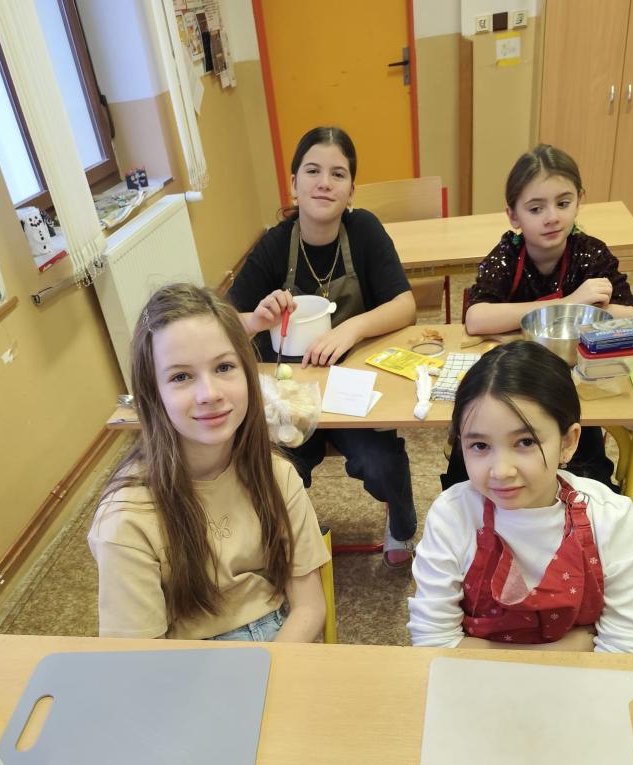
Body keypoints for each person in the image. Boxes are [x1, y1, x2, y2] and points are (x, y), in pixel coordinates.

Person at [89, 283, 328, 643]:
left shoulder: (277, 475)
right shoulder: (126, 520)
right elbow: (141, 661)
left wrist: (268, 668)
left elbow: (309, 608)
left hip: (281, 642)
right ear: (153, 394)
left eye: (224, 367)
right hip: (186, 663)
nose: (209, 394)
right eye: (181, 376)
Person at [228, 126, 418, 568]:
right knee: (275, 469)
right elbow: (224, 322)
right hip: (291, 395)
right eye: (312, 171)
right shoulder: (276, 244)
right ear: (294, 183)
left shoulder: (364, 230)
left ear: (352, 190)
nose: (324, 183)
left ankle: (402, 525)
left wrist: (351, 329)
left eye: (338, 173)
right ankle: (295, 538)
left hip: (353, 389)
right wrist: (257, 319)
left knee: (380, 461)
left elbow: (405, 305)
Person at [407, 342, 633, 653]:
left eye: (525, 442)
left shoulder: (609, 517)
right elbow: (433, 644)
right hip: (481, 683)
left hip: (570, 683)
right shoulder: (451, 516)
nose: (501, 471)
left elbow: (630, 649)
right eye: (480, 446)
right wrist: (574, 646)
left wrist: (479, 650)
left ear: (568, 442)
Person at [459, 143, 633, 490]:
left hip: (572, 383)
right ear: (514, 215)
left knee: (585, 476)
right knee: (473, 472)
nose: (552, 217)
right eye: (535, 208)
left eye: (563, 203)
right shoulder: (507, 255)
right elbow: (477, 318)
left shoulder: (590, 253)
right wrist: (569, 302)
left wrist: (584, 307)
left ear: (579, 200)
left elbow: (629, 312)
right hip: (512, 379)